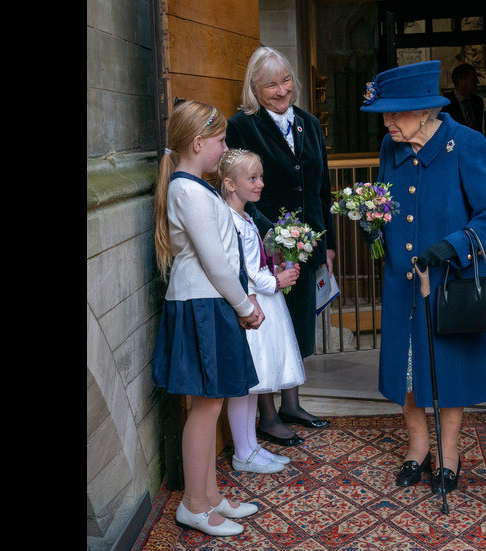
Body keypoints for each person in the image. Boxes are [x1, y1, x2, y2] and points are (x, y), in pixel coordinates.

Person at [359, 60, 486, 496]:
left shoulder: (467, 144)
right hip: (401, 281)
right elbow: (387, 201)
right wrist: (373, 222)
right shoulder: (392, 147)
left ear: (426, 111)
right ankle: (418, 447)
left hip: (447, 283)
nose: (388, 122)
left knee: (448, 369)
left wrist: (454, 246)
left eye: (396, 113)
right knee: (407, 370)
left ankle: (449, 454)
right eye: (384, 113)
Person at [151, 100, 263, 537]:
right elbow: (216, 263)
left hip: (209, 302)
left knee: (211, 403)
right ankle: (194, 504)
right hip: (203, 303)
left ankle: (211, 495)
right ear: (198, 143)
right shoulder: (188, 191)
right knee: (205, 407)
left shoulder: (196, 187)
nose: (225, 148)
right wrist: (245, 307)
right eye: (220, 142)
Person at [225, 46, 337, 447]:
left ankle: (293, 403)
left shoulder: (309, 123)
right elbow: (237, 190)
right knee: (270, 326)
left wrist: (326, 242)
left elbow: (322, 188)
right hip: (265, 245)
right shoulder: (242, 125)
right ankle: (268, 415)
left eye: (286, 80)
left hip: (307, 246)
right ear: (254, 88)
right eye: (270, 83)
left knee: (299, 323)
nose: (280, 90)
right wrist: (274, 238)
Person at [218, 148, 303, 474]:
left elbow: (255, 260)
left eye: (260, 177)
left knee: (256, 381)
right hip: (252, 305)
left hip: (264, 304)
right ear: (229, 183)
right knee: (245, 385)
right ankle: (243, 451)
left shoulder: (246, 216)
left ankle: (250, 446)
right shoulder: (231, 220)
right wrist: (275, 281)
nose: (260, 184)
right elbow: (242, 270)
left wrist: (277, 258)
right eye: (252, 178)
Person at [441, 64, 484, 133]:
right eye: (473, 79)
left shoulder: (478, 102)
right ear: (461, 80)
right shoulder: (445, 104)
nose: (477, 82)